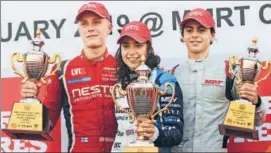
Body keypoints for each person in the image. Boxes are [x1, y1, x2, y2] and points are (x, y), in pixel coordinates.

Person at [20, 2, 118, 152]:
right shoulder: (63, 69)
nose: (90, 28)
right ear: (79, 29)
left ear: (109, 27)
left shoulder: (122, 67)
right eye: (84, 24)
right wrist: (31, 103)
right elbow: (45, 126)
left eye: (96, 22)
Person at [171, 8, 267, 152]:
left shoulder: (228, 73)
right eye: (189, 30)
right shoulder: (173, 74)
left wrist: (256, 101)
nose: (195, 35)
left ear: (212, 35)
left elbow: (257, 121)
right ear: (182, 36)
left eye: (201, 30)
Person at [111, 21, 184, 152]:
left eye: (138, 45)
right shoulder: (120, 82)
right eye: (126, 46)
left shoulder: (164, 81)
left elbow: (175, 133)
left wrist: (153, 132)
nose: (131, 52)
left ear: (149, 49)